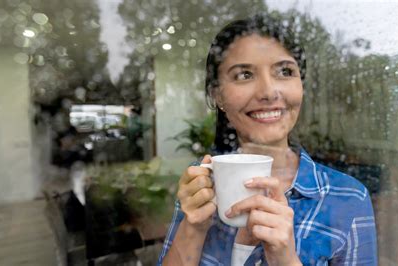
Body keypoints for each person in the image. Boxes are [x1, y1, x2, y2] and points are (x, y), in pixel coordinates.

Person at [158, 14, 377, 266]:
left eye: (284, 71)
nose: (268, 92)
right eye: (244, 75)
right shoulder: (202, 184)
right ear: (217, 95)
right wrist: (193, 228)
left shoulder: (348, 198)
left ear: (301, 85)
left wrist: (285, 259)